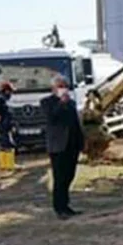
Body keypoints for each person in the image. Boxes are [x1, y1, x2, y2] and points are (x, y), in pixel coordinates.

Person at [41, 76, 85, 219]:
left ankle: (66, 205)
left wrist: (82, 142)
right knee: (59, 178)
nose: (63, 88)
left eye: (65, 86)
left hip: (72, 146)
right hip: (58, 146)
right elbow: (52, 117)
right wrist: (61, 103)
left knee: (69, 176)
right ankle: (59, 208)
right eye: (60, 86)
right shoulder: (47, 102)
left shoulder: (71, 103)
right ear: (53, 88)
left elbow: (76, 124)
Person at [0, 81, 15, 149]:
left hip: (6, 128)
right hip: (4, 127)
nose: (11, 94)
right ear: (7, 91)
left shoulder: (4, 101)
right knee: (6, 145)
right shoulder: (1, 101)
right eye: (11, 91)